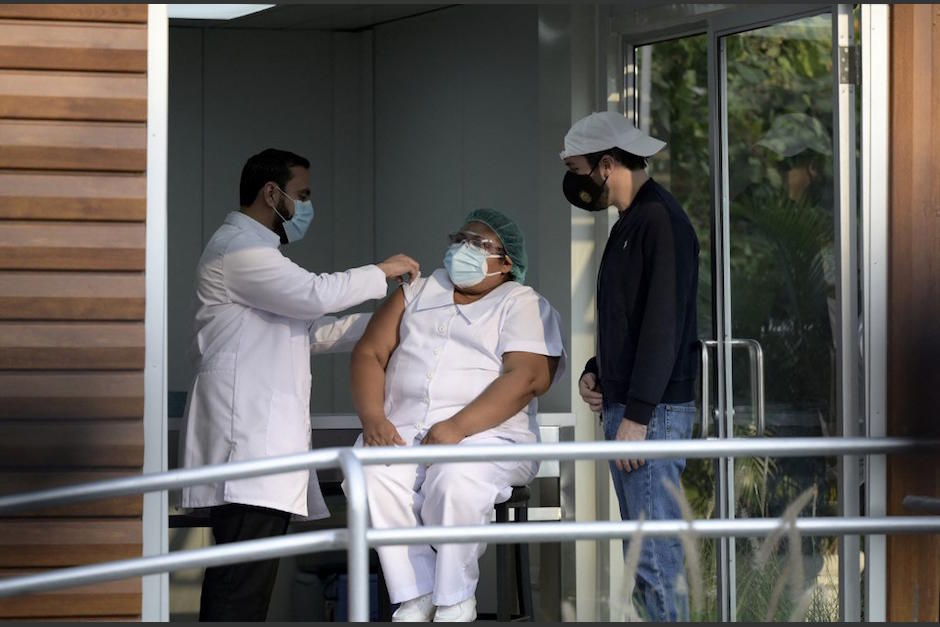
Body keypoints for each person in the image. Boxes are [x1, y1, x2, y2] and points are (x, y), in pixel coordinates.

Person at [178, 148, 420, 622]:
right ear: (273, 192)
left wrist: (391, 323)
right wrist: (382, 271)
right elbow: (315, 295)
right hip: (244, 449)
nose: (307, 206)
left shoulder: (260, 257)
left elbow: (309, 332)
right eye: (302, 194)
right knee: (239, 587)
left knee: (244, 582)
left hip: (259, 449)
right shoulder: (239, 250)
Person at [347, 209, 565, 622]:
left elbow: (529, 377)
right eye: (461, 238)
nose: (464, 249)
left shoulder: (521, 302)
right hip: (405, 433)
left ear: (507, 263)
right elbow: (370, 352)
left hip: (490, 438)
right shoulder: (418, 292)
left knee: (455, 478)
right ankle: (417, 592)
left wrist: (458, 427)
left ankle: (454, 600)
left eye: (480, 244)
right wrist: (373, 417)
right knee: (369, 474)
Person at [560, 112, 700, 621]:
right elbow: (631, 320)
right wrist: (598, 370)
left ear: (607, 164)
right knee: (641, 560)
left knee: (654, 563)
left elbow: (665, 321)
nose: (574, 182)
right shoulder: (631, 222)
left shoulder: (658, 220)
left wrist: (638, 416)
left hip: (651, 414)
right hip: (632, 408)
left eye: (577, 168)